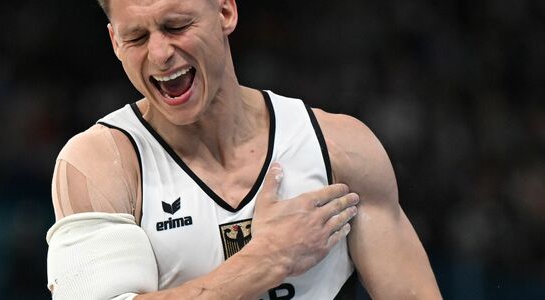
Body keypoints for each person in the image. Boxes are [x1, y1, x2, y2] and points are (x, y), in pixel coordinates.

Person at [46, 0, 442, 299]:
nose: (160, 54)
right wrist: (265, 261)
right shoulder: (101, 165)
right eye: (136, 37)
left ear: (225, 12)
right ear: (115, 41)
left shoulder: (339, 148)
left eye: (177, 25)